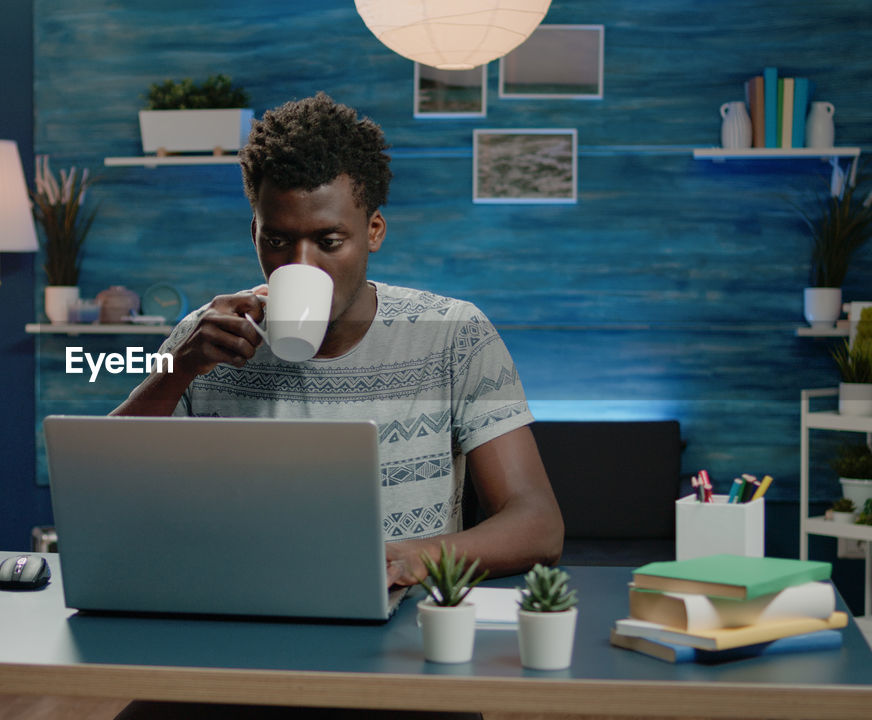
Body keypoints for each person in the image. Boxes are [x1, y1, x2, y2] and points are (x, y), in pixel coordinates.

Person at [110, 91, 561, 720]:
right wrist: (176, 369)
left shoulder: (455, 334)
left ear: (373, 230)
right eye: (278, 242)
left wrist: (408, 558)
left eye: (328, 241)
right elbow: (106, 485)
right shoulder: (204, 336)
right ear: (255, 234)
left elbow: (537, 523)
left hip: (402, 649)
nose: (302, 265)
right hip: (236, 640)